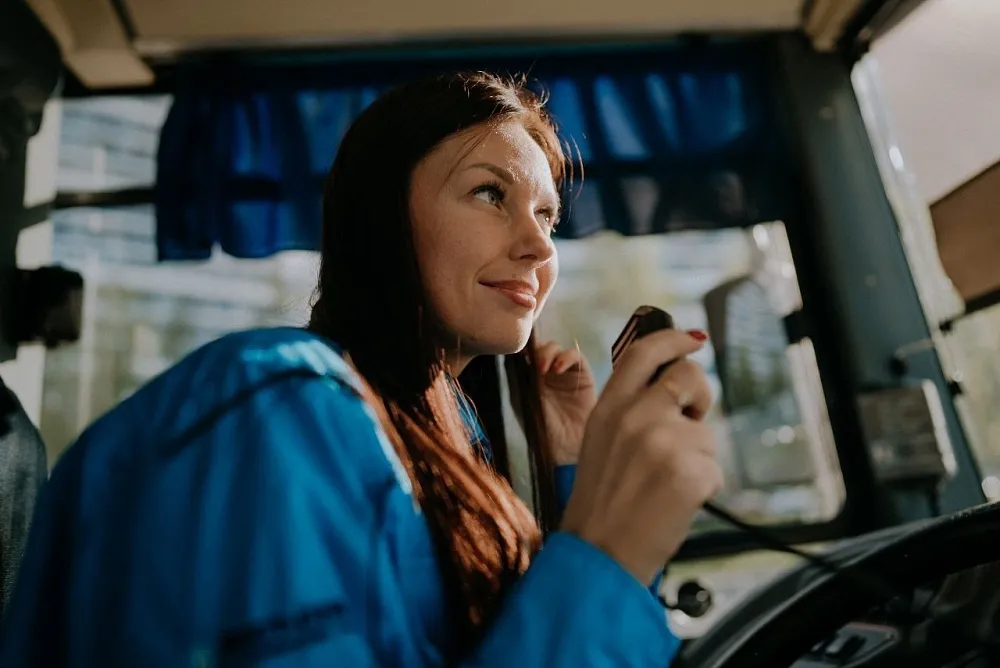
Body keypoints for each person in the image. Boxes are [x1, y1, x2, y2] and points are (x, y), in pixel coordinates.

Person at [0, 72, 722, 667]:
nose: (539, 246)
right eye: (489, 194)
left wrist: (572, 470)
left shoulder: (439, 427)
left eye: (548, 215)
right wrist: (606, 556)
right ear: (383, 217)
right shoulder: (274, 405)